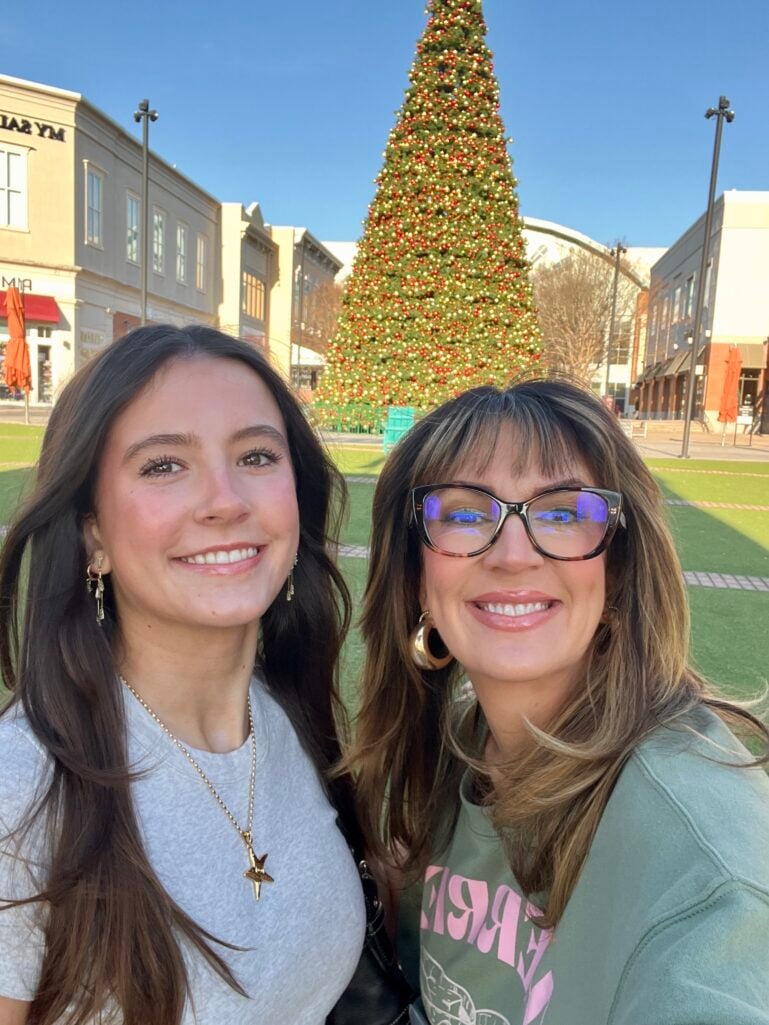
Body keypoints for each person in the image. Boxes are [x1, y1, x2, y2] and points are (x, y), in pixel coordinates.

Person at [347, 377, 769, 1025]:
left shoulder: (703, 866)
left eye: (563, 513)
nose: (513, 555)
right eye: (464, 514)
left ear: (617, 566)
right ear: (415, 577)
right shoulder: (460, 748)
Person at [0, 325, 365, 1024]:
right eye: (164, 465)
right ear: (93, 534)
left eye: (256, 456)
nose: (225, 500)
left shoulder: (294, 719)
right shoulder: (21, 790)